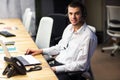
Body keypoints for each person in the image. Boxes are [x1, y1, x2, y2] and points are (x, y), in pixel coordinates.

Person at [26, 1, 97, 80]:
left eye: (77, 13)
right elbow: (59, 47)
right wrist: (41, 51)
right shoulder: (69, 28)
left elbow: (81, 65)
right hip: (57, 64)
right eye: (70, 13)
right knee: (32, 72)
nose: (73, 17)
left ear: (83, 15)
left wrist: (55, 69)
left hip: (71, 72)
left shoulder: (88, 37)